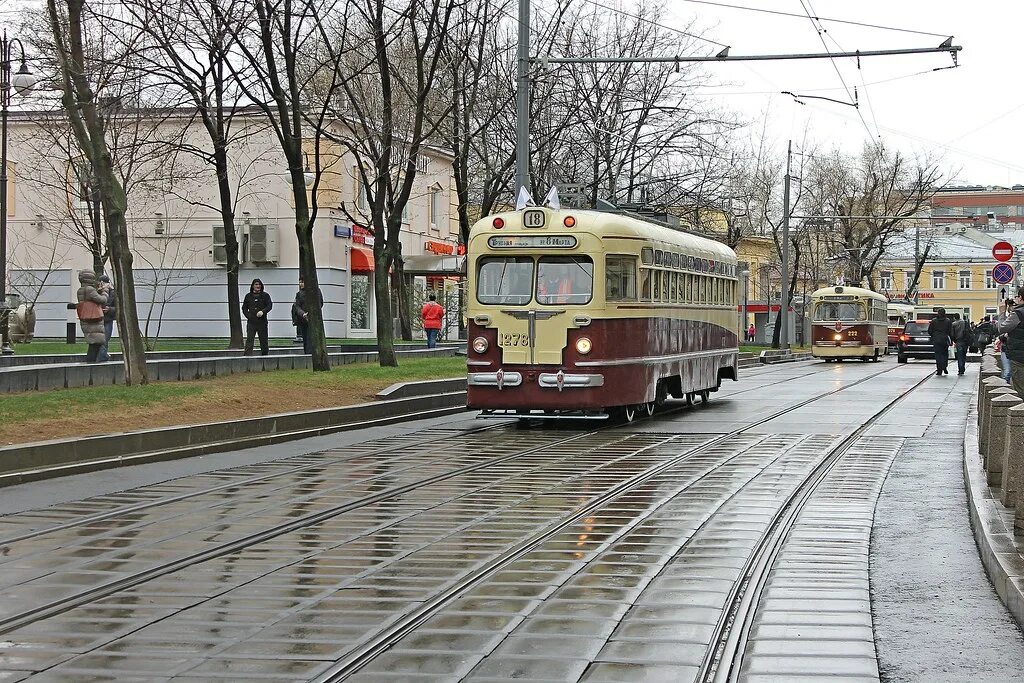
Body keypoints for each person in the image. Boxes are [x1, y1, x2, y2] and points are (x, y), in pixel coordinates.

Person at [75, 270, 108, 363]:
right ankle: (91, 364)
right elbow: (102, 300)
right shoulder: (90, 290)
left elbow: (90, 298)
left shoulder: (81, 290)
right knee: (95, 344)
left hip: (86, 319)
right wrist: (105, 291)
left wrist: (98, 290)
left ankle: (91, 363)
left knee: (94, 343)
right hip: (94, 320)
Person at [995, 292, 1024, 397]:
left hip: (1019, 355)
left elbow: (1002, 328)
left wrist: (1002, 313)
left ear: (1021, 297)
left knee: (1020, 388)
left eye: (1017, 297)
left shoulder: (1019, 313)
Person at [291, 275, 322, 354]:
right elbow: (296, 306)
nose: (301, 284)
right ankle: (307, 353)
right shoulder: (299, 294)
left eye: (302, 282)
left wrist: (311, 312)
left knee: (312, 338)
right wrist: (303, 314)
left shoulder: (316, 291)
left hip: (313, 318)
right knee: (305, 338)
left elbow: (320, 302)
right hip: (303, 319)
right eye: (300, 282)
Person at [242, 278, 272, 356]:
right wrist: (248, 316)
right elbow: (244, 308)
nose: (258, 286)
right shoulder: (248, 296)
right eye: (256, 284)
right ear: (252, 286)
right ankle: (247, 356)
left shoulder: (265, 295)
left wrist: (263, 311)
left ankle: (265, 356)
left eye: (259, 284)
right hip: (251, 322)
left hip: (262, 322)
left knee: (263, 340)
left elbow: (269, 306)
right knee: (249, 340)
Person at [927, 307, 953, 376]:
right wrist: (951, 340)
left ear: (938, 313)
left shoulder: (934, 321)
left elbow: (929, 331)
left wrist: (934, 335)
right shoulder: (948, 321)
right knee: (945, 354)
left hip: (936, 340)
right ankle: (944, 366)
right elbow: (950, 332)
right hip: (945, 340)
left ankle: (939, 370)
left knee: (938, 355)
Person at [98, 274, 116, 362]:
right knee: (100, 341)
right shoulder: (97, 292)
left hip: (108, 319)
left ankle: (103, 357)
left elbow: (117, 308)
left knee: (105, 340)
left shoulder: (113, 293)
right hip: (98, 319)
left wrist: (109, 309)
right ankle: (102, 357)